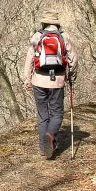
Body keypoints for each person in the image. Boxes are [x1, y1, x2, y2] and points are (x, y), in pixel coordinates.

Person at [23, 10, 78, 159]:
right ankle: (51, 135)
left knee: (43, 116)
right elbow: (73, 59)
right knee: (57, 114)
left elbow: (29, 59)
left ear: (44, 22)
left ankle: (43, 148)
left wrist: (27, 79)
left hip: (38, 81)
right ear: (56, 23)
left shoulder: (37, 36)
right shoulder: (64, 36)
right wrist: (72, 76)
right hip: (57, 81)